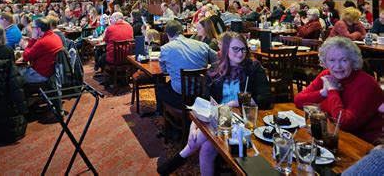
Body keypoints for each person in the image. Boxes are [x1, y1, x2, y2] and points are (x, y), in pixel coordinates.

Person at [157, 32, 272, 175]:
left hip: (245, 121)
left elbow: (266, 99)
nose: (240, 53)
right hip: (218, 121)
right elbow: (204, 102)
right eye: (235, 49)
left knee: (217, 121)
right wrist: (194, 127)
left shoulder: (254, 67)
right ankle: (184, 153)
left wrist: (235, 102)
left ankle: (183, 155)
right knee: (206, 149)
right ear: (225, 50)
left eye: (243, 49)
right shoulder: (215, 69)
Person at [294, 37, 383, 143]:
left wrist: (332, 91)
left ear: (353, 60)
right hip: (334, 135)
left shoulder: (366, 84)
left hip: (366, 144)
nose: (338, 66)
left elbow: (344, 123)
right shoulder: (327, 75)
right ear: (325, 61)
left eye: (344, 60)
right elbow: (298, 101)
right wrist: (323, 93)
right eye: (332, 60)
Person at [155, 20, 218, 113]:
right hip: (202, 93)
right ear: (182, 31)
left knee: (159, 86)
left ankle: (163, 116)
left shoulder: (166, 48)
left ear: (168, 35)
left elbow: (164, 72)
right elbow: (218, 60)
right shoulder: (202, 45)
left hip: (179, 96)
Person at [18, 18, 63, 84]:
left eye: (33, 27)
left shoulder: (43, 42)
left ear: (38, 29)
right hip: (50, 72)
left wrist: (32, 40)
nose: (31, 29)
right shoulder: (55, 36)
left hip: (41, 75)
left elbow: (25, 57)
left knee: (15, 78)